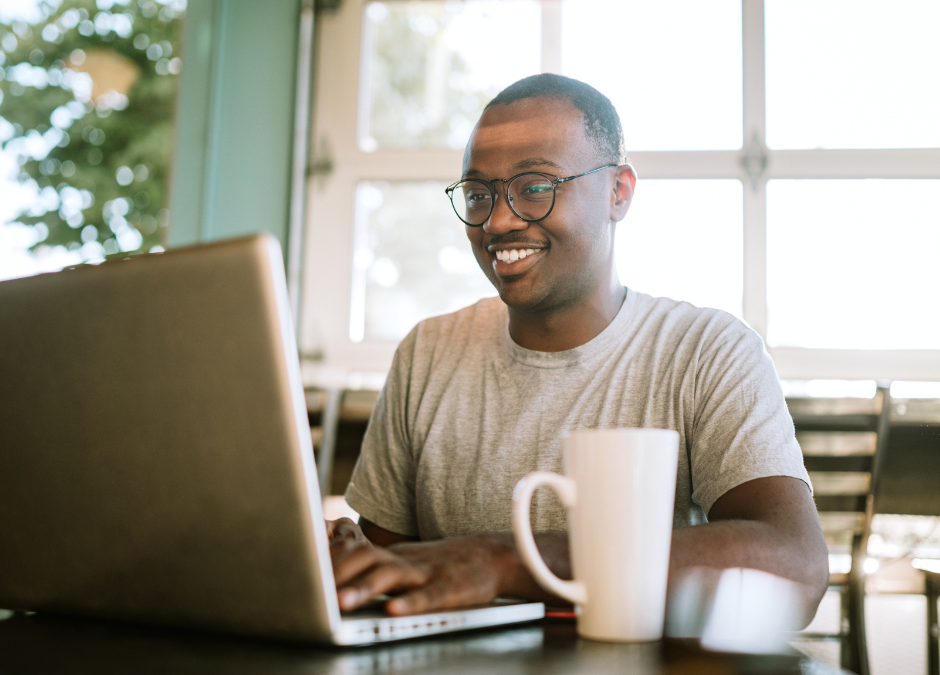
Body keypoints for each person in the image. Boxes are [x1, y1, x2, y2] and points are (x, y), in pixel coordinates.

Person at [327, 74, 829, 625]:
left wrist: (506, 560)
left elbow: (794, 567)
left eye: (535, 187)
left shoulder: (706, 352)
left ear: (619, 193)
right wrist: (348, 562)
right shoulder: (427, 353)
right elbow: (392, 577)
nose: (497, 220)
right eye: (477, 194)